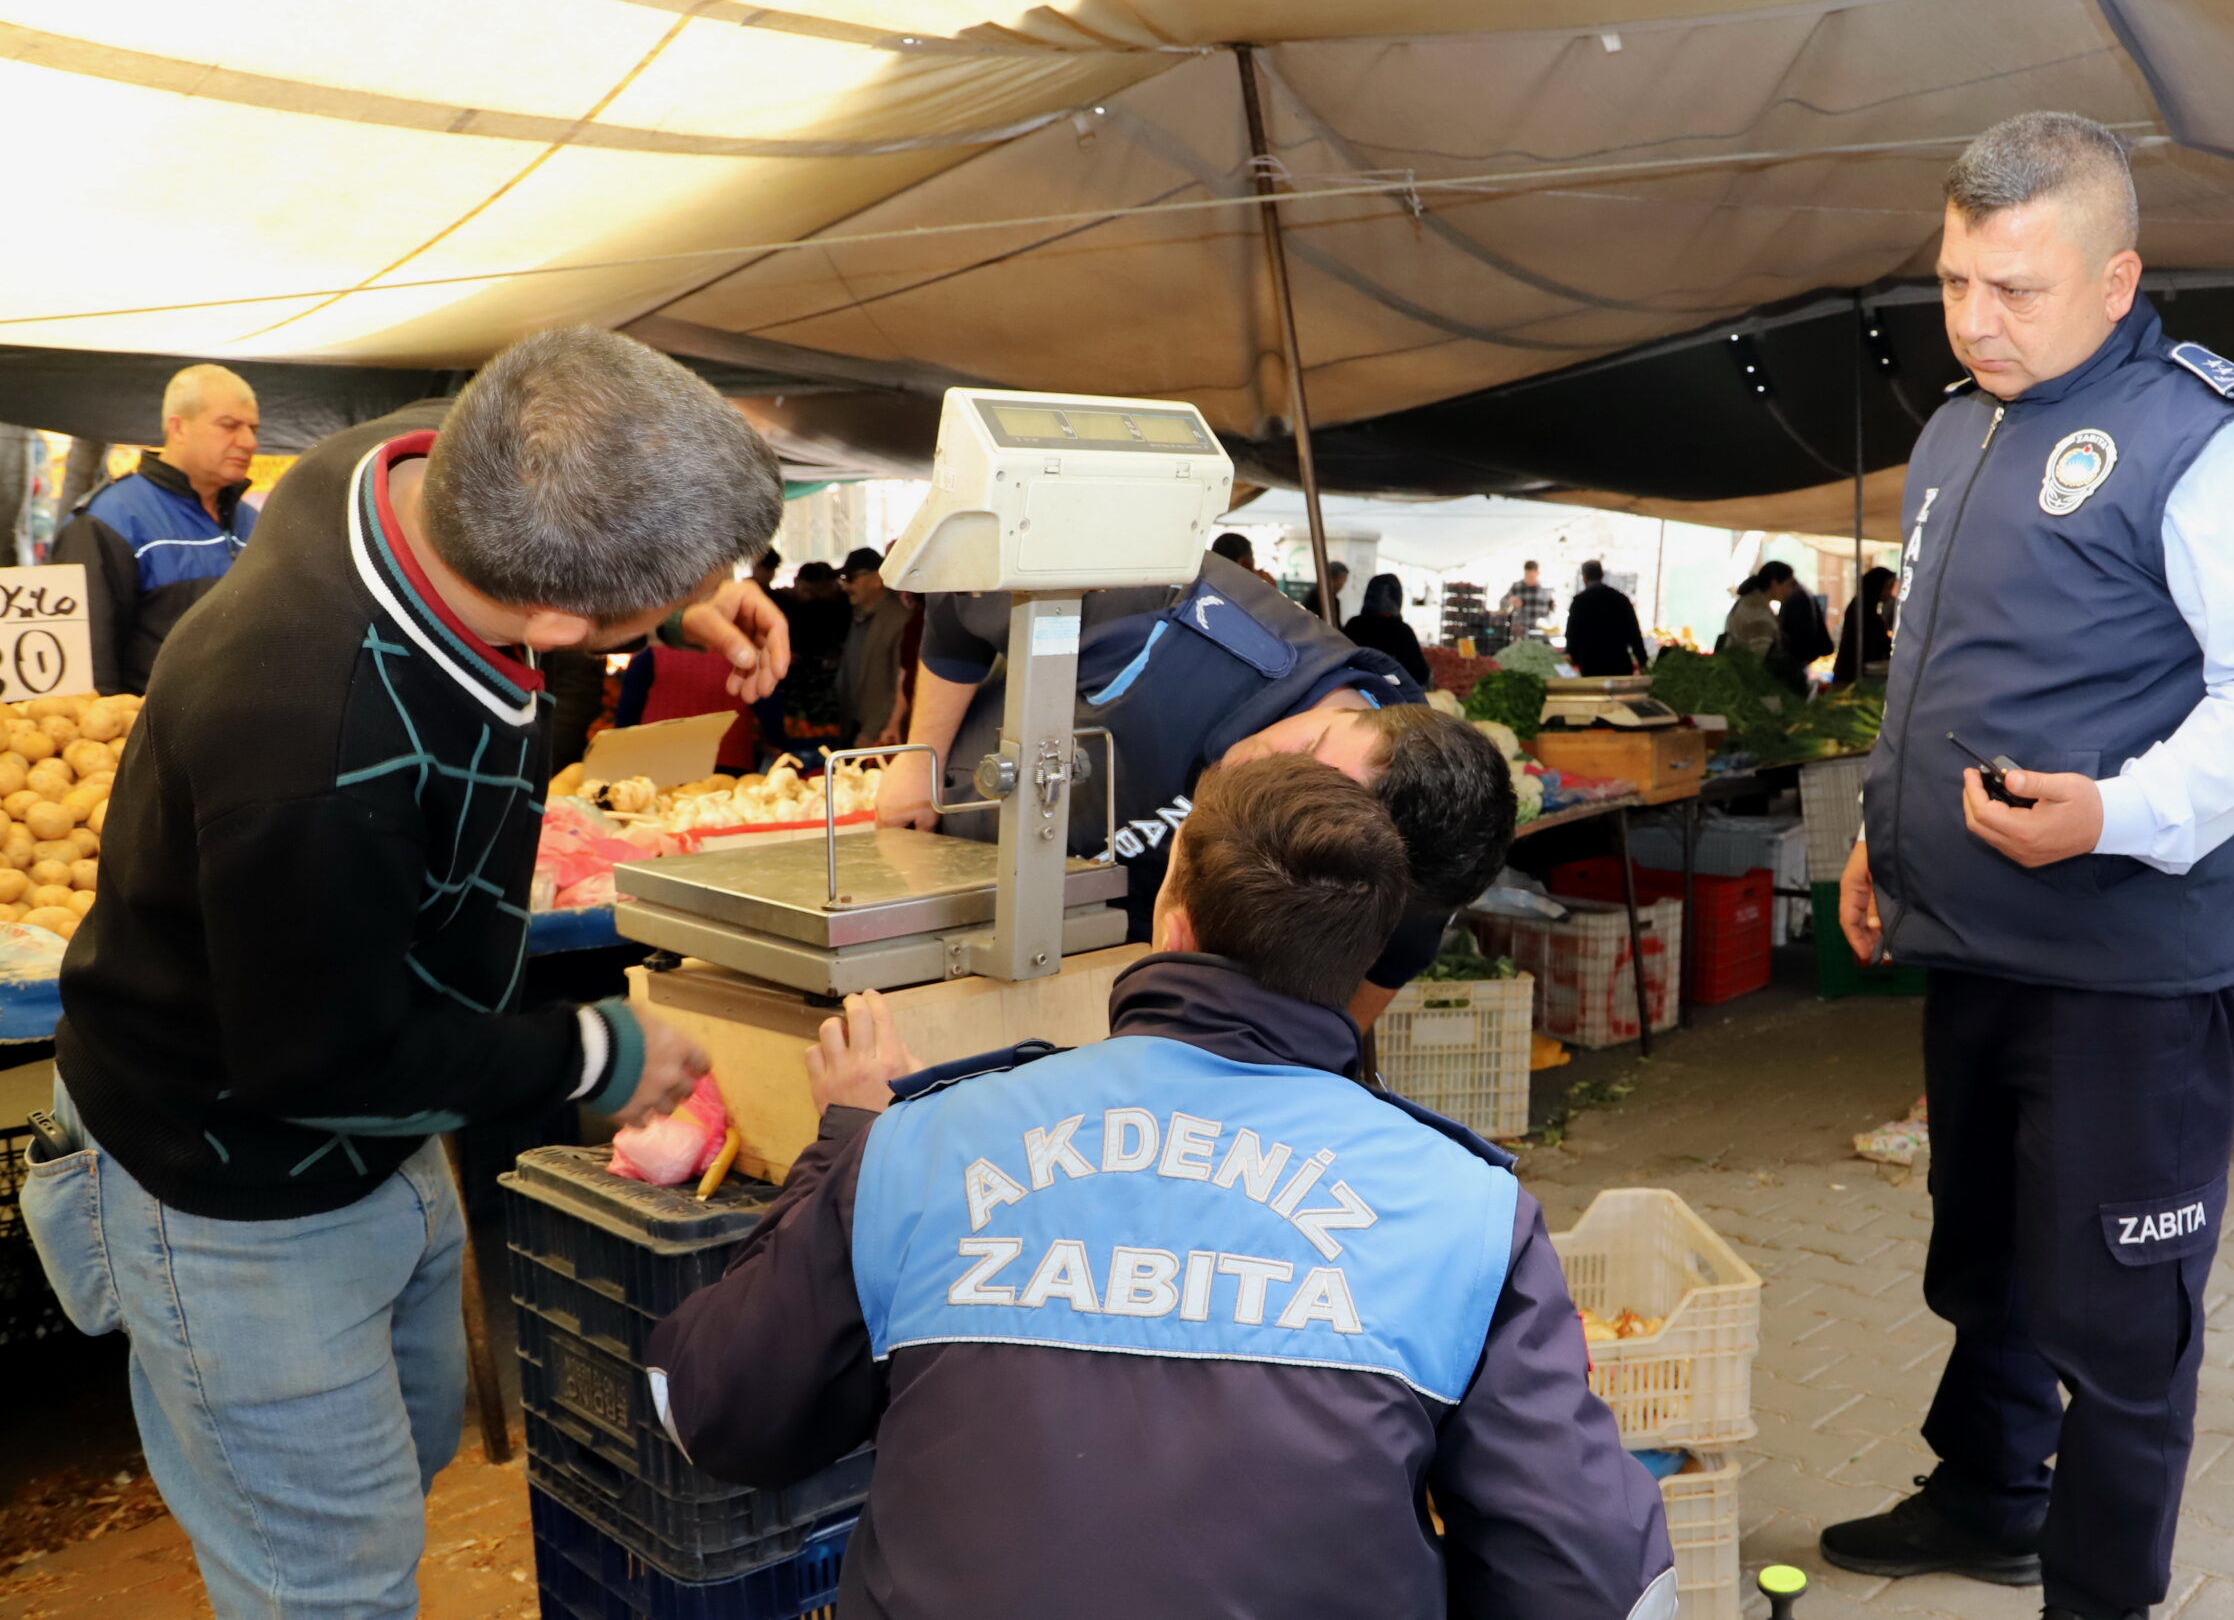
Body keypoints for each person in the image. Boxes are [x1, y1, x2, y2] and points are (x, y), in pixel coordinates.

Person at [20, 328, 793, 1620]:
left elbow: (563, 482)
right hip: (228, 1175)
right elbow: (322, 1057)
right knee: (328, 1580)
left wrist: (680, 593)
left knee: (407, 1452)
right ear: (561, 623)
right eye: (640, 611)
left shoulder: (407, 469)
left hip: (378, 1135)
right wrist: (595, 1051)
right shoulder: (311, 741)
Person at [647, 753, 1676, 1619]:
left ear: (1172, 924)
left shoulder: (919, 1145)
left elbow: (706, 1409)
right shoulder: (1465, 1210)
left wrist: (843, 1144)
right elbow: (1601, 1584)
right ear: (1359, 965)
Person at [1826, 113, 2234, 1620]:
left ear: (2117, 281)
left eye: (2017, 288)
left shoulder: (2209, 441)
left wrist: (2115, 813)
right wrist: (1878, 831)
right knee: (1984, 1256)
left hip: (2126, 962)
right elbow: (1947, 664)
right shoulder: (1957, 427)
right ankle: (1988, 1496)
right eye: (1953, 282)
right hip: (1974, 933)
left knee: (2115, 1315)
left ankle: (2100, 1594)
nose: (1975, 321)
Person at [874, 550, 1514, 1030]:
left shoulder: (1412, 866)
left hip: (1115, 969)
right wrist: (917, 760)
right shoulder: (1164, 607)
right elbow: (961, 595)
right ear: (1369, 714)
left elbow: (1382, 972)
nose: (1266, 762)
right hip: (949, 863)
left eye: (1297, 801)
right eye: (1312, 744)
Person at [53, 362, 262, 695]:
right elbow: (88, 667)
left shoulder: (255, 522)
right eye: (229, 425)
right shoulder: (107, 520)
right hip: (147, 724)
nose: (248, 441)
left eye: (253, 428)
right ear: (178, 428)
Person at [616, 642, 783, 772]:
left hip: (658, 760)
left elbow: (629, 706)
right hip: (727, 761)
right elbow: (766, 701)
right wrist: (779, 741)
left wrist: (622, 748)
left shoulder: (653, 651)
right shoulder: (743, 653)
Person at [833, 546, 914, 747]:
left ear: (877, 579)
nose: (845, 586)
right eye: (843, 579)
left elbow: (901, 684)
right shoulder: (859, 616)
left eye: (851, 578)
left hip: (881, 734)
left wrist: (875, 730)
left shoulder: (899, 620)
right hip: (853, 725)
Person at [775, 559, 854, 742]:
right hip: (792, 680)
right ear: (796, 582)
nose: (808, 596)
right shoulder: (782, 602)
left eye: (814, 591)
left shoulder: (835, 606)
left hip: (824, 681)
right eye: (805, 590)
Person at [1339, 570, 1432, 689]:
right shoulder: (1402, 631)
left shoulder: (1354, 625)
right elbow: (1420, 674)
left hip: (1354, 691)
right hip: (1392, 696)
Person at [1565, 558, 1649, 676]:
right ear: (1602, 575)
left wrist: (1572, 655)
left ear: (1585, 576)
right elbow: (1634, 631)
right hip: (1619, 664)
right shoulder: (1620, 599)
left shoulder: (1579, 602)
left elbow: (1572, 633)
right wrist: (1642, 659)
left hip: (1591, 665)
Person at [1832, 566, 1898, 683]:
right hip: (1853, 675)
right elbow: (1876, 642)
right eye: (1887, 587)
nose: (1889, 593)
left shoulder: (1864, 607)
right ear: (1876, 586)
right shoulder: (1862, 610)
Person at [1717, 561, 1792, 663]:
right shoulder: (1760, 616)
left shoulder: (1746, 600)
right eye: (1788, 585)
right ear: (1774, 584)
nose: (1790, 591)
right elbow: (1756, 662)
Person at [1773, 574, 1834, 690]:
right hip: (1802, 657)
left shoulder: (1796, 597)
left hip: (1797, 657)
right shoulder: (1802, 592)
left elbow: (1800, 632)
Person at [1501, 558, 1551, 639]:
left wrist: (1554, 605)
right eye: (1527, 576)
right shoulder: (1516, 586)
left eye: (1532, 576)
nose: (1529, 579)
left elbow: (1553, 609)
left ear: (1538, 573)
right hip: (1520, 631)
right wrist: (1511, 600)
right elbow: (1502, 603)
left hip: (1540, 632)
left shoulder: (1546, 589)